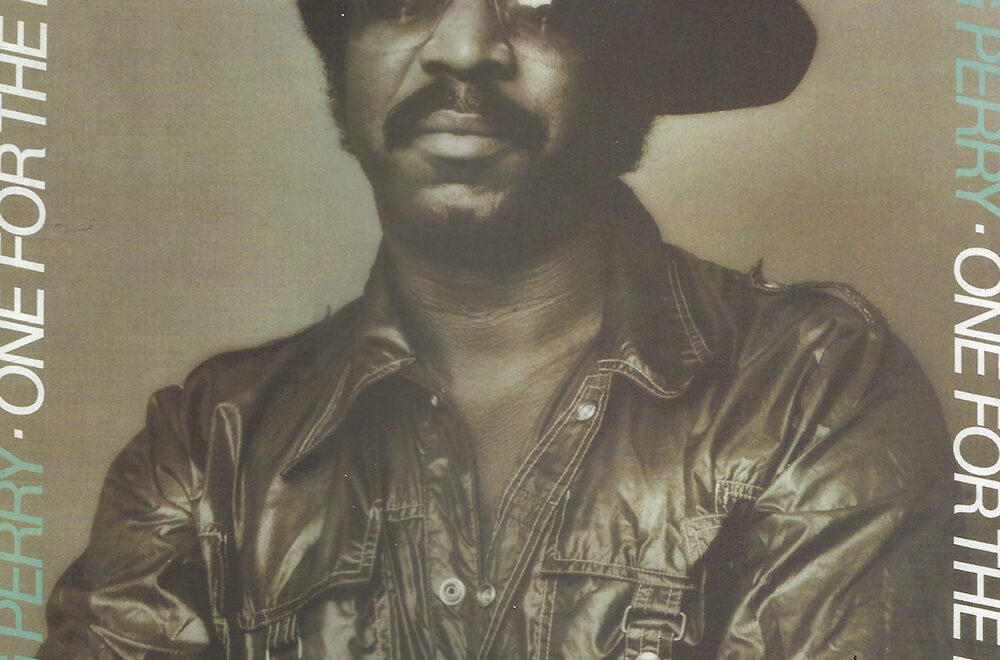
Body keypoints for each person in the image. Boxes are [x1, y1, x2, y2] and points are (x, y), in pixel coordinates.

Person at [40, 1, 951, 658]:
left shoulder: (811, 390)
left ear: (628, 63)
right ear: (342, 54)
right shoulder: (209, 450)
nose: (464, 48)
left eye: (540, 3)